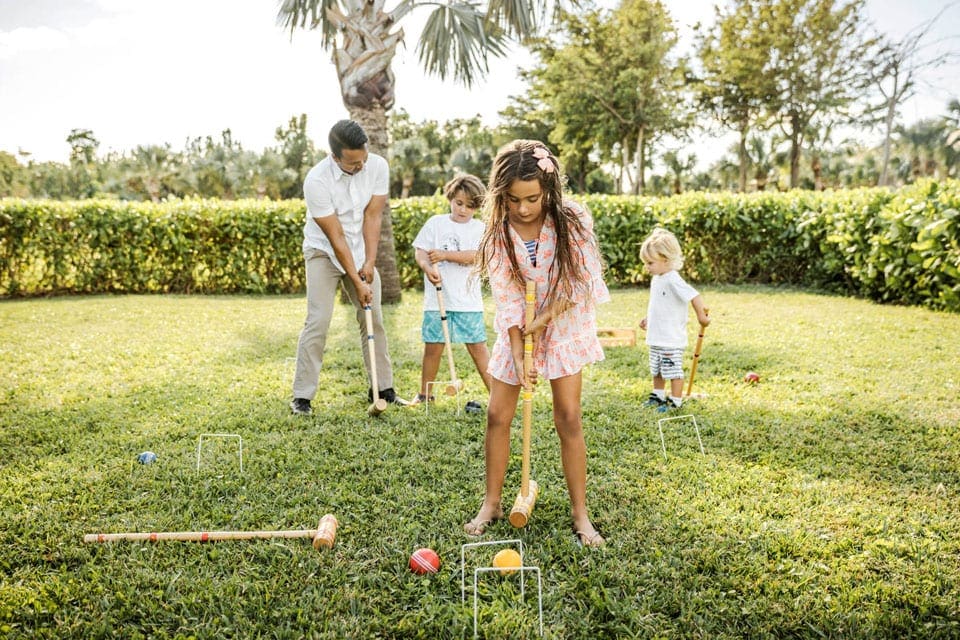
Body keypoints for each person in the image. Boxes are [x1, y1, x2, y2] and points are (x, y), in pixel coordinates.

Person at [464, 140, 609, 547]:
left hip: (563, 324)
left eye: (532, 198)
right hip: (518, 328)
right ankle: (491, 503)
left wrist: (542, 321)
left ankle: (580, 514)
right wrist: (517, 351)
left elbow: (579, 283)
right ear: (500, 196)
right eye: (513, 200)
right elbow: (509, 299)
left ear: (548, 189)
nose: (524, 208)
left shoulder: (572, 220)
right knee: (497, 413)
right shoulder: (497, 235)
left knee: (568, 416)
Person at [290, 119, 406, 415]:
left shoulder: (377, 166)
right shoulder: (316, 181)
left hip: (360, 251)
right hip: (323, 251)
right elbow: (336, 236)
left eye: (363, 159)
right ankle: (302, 396)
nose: (361, 166)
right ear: (335, 157)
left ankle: (383, 388)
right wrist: (356, 279)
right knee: (318, 319)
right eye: (353, 163)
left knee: (373, 318)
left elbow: (373, 216)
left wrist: (368, 262)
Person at [410, 174, 492, 410]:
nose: (463, 210)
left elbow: (477, 257)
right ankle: (425, 395)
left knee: (478, 347)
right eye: (459, 203)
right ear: (450, 199)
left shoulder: (480, 229)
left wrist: (445, 255)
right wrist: (426, 267)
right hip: (438, 300)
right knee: (433, 347)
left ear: (477, 207)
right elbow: (421, 252)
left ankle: (496, 396)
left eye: (470, 206)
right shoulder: (436, 223)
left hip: (468, 302)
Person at [638, 228, 710, 413]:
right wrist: (649, 319)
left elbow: (694, 296)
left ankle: (675, 400)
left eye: (650, 262)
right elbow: (660, 304)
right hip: (656, 336)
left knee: (672, 370)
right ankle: (658, 395)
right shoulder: (657, 278)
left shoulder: (672, 279)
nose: (647, 266)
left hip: (670, 339)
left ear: (666, 260)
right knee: (657, 369)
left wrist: (701, 316)